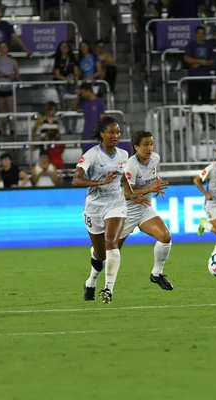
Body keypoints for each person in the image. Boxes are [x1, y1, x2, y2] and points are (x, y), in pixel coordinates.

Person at [73, 116, 147, 303]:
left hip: (116, 204)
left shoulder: (123, 154)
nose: (116, 136)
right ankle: (91, 281)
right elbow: (76, 180)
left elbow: (122, 179)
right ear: (102, 134)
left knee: (111, 242)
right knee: (100, 254)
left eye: (118, 132)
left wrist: (131, 194)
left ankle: (108, 289)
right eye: (112, 132)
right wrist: (100, 182)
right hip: (94, 207)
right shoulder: (91, 155)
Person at [118, 130, 173, 290]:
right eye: (145, 145)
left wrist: (156, 184)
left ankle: (157, 273)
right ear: (136, 147)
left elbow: (151, 175)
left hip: (144, 210)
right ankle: (95, 281)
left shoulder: (154, 158)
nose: (149, 148)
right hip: (126, 212)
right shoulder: (131, 165)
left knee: (165, 236)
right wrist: (150, 188)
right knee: (110, 251)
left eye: (151, 144)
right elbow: (126, 194)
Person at [0, 42, 19, 136]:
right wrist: (0, 74)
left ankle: (11, 127)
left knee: (10, 109)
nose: (3, 49)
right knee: (0, 109)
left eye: (4, 47)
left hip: (9, 87)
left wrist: (12, 75)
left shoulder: (13, 61)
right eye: (1, 47)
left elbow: (17, 74)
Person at [53, 41, 79, 136]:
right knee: (64, 106)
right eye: (62, 46)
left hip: (72, 84)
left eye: (66, 46)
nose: (64, 48)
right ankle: (67, 128)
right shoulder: (58, 59)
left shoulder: (72, 59)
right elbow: (57, 74)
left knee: (73, 107)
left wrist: (74, 79)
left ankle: (73, 128)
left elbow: (76, 72)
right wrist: (66, 79)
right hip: (62, 85)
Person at [183, 26, 214, 106]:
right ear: (196, 34)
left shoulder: (209, 46)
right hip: (193, 77)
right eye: (199, 33)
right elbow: (186, 58)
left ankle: (205, 118)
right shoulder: (190, 45)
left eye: (202, 33)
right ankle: (193, 118)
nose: (200, 35)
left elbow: (212, 60)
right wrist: (200, 61)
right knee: (193, 103)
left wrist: (199, 63)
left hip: (205, 78)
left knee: (206, 102)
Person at [79, 82, 106, 152]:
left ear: (88, 91)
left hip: (95, 134)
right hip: (85, 133)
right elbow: (74, 108)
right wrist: (77, 96)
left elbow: (102, 118)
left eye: (83, 92)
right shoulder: (83, 102)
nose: (83, 95)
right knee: (85, 157)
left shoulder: (99, 101)